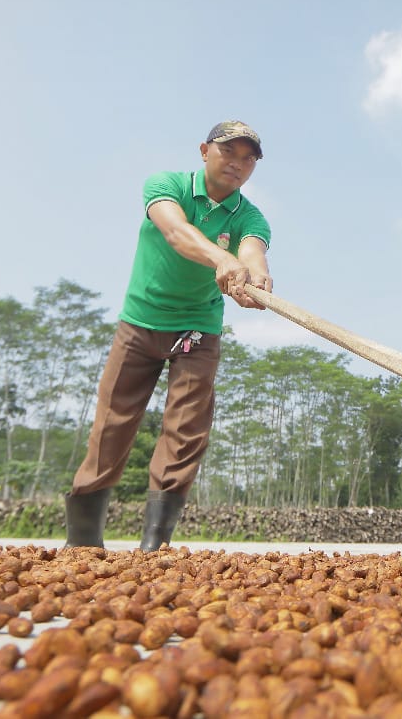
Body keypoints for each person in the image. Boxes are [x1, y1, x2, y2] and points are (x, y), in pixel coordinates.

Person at [64, 120, 272, 550]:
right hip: (141, 322)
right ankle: (83, 543)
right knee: (112, 424)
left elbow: (252, 250)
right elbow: (177, 233)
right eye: (228, 152)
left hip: (198, 331)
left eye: (248, 158)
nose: (238, 163)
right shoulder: (166, 185)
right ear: (204, 150)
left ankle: (154, 548)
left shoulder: (249, 216)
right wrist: (221, 258)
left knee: (185, 430)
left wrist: (256, 276)